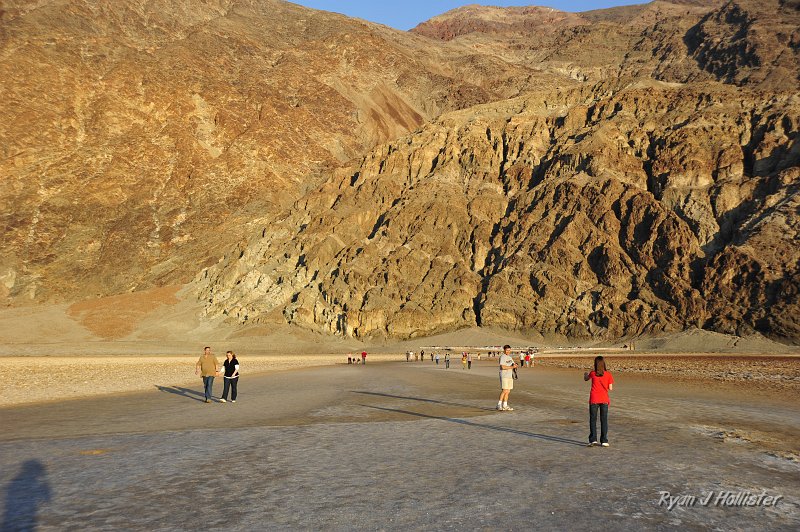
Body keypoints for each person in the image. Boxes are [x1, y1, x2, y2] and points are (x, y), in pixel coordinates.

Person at [584, 356, 614, 447]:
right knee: (604, 420)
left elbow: (586, 379)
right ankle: (604, 440)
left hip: (594, 399)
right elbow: (610, 388)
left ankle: (593, 439)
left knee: (593, 419)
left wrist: (585, 374)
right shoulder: (608, 374)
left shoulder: (593, 373)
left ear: (595, 364)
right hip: (604, 399)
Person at [497, 345, 518, 411]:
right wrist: (512, 367)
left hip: (509, 376)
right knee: (504, 390)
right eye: (507, 350)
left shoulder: (510, 357)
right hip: (504, 375)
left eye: (509, 350)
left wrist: (515, 365)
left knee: (508, 391)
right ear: (504, 350)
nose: (508, 351)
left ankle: (505, 405)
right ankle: (499, 404)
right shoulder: (502, 357)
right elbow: (503, 367)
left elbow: (513, 364)